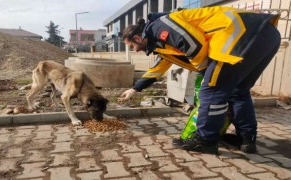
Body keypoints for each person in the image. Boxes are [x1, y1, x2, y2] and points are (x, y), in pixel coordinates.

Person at [119, 6, 281, 154]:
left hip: (240, 34)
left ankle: (206, 140)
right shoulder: (160, 43)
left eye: (132, 46)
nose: (135, 50)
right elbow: (158, 69)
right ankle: (246, 139)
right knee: (238, 91)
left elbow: (193, 45)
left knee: (212, 89)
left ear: (138, 38)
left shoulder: (160, 26)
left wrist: (206, 73)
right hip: (266, 34)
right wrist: (133, 90)